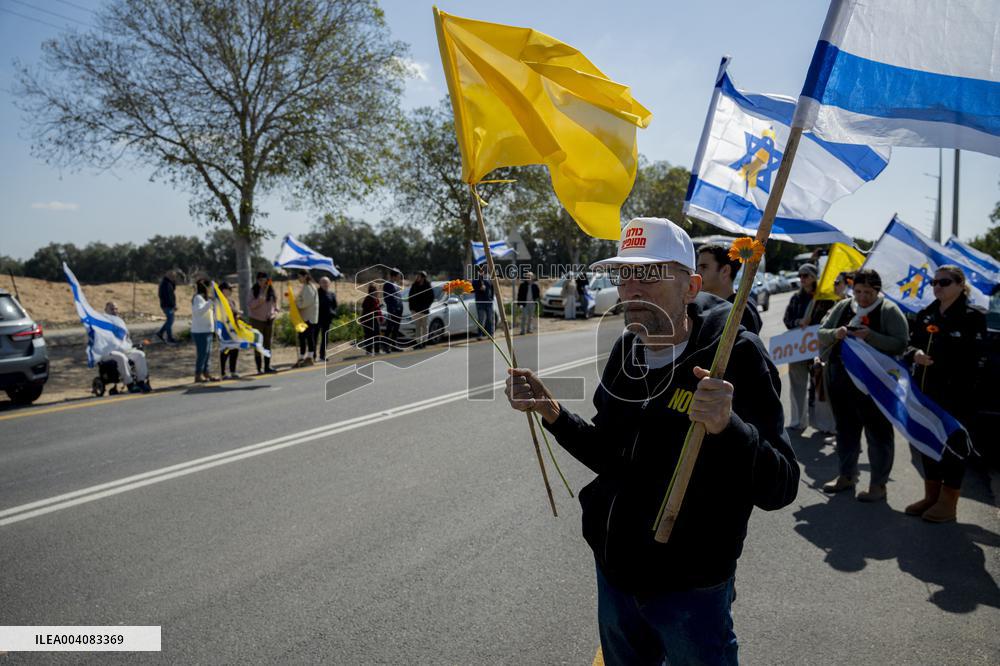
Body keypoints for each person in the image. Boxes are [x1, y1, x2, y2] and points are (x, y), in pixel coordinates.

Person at [505, 217, 798, 665]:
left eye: (650, 274)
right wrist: (552, 411)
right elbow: (612, 455)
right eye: (623, 275)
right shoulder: (627, 350)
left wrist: (729, 427)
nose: (632, 289)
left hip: (691, 589)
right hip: (617, 573)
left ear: (691, 285)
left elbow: (782, 486)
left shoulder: (735, 355)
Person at [902, 265, 987, 522]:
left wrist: (940, 361)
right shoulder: (927, 313)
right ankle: (932, 496)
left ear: (960, 285)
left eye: (944, 282)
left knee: (952, 448)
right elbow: (910, 343)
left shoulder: (973, 317)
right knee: (928, 443)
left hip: (956, 396)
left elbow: (977, 360)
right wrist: (914, 354)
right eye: (934, 282)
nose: (937, 286)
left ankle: (948, 503)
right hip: (926, 393)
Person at [818, 269, 909, 501]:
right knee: (846, 430)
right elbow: (821, 332)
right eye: (858, 291)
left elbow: (900, 344)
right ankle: (846, 476)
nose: (862, 297)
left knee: (878, 433)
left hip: (875, 384)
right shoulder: (844, 307)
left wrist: (870, 336)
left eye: (868, 292)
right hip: (841, 380)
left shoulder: (888, 310)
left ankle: (878, 484)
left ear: (877, 291)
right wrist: (835, 333)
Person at [781, 263, 823, 431]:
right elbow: (787, 319)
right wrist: (798, 322)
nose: (802, 279)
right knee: (797, 385)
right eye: (800, 276)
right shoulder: (796, 298)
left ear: (814, 277)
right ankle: (799, 421)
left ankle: (822, 423)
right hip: (798, 347)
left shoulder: (823, 298)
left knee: (819, 387)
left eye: (806, 275)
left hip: (819, 347)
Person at [696, 243, 762, 334]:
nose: (697, 273)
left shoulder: (741, 309)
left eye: (704, 267)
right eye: (697, 267)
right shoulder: (706, 306)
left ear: (725, 271)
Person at [99, 301, 151, 393]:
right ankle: (130, 384)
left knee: (140, 354)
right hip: (108, 352)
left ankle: (141, 382)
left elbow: (126, 338)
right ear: (105, 310)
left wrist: (132, 346)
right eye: (111, 309)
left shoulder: (120, 322)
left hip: (123, 350)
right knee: (121, 357)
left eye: (116, 309)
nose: (114, 311)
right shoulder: (101, 323)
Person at [248, 272, 279, 374]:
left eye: (265, 280)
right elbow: (250, 305)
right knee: (258, 344)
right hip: (256, 320)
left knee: (267, 344)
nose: (263, 282)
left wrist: (273, 314)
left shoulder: (271, 290)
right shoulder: (253, 291)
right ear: (257, 280)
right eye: (260, 280)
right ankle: (259, 368)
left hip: (269, 321)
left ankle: (267, 366)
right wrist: (259, 301)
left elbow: (276, 307)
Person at [191, 278, 218, 382]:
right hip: (200, 331)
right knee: (202, 353)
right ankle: (198, 374)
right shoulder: (197, 298)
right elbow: (199, 312)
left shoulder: (204, 299)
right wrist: (210, 303)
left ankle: (206, 372)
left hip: (207, 329)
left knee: (208, 353)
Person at [217, 282, 241, 379]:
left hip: (233, 328)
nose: (231, 290)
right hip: (224, 329)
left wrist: (237, 315)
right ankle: (222, 372)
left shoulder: (231, 301)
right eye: (229, 288)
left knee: (235, 349)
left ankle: (233, 371)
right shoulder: (219, 302)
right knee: (225, 350)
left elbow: (234, 312)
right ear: (223, 290)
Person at [295, 270, 319, 366]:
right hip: (306, 317)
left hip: (308, 317)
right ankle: (303, 357)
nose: (298, 278)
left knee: (307, 337)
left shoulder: (309, 287)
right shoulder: (307, 286)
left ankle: (309, 357)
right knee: (303, 337)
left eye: (299, 276)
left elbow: (306, 302)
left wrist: (296, 304)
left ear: (305, 276)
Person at [408, 271, 434, 349]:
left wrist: (427, 306)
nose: (417, 277)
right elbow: (411, 297)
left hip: (424, 310)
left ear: (423, 277)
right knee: (418, 327)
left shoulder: (428, 286)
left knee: (425, 327)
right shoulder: (414, 285)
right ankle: (418, 343)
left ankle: (424, 342)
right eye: (417, 276)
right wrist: (411, 308)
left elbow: (431, 297)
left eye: (419, 276)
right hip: (416, 310)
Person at [317, 276, 339, 360]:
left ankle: (322, 356)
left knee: (325, 338)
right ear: (320, 283)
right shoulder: (316, 293)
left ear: (329, 284)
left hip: (327, 319)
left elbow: (335, 305)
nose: (325, 284)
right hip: (317, 319)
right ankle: (313, 355)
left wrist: (333, 312)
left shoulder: (331, 294)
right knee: (314, 337)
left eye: (326, 282)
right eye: (323, 282)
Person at [381, 269, 403, 353]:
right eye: (398, 275)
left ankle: (394, 345)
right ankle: (385, 345)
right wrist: (392, 309)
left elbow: (398, 297)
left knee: (396, 329)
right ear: (394, 275)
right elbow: (387, 298)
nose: (400, 277)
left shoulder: (396, 284)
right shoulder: (387, 284)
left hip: (398, 310)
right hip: (392, 311)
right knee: (389, 328)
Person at [472, 265, 495, 338]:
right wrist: (479, 288)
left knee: (490, 319)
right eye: (480, 271)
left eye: (483, 270)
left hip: (488, 302)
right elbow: (473, 289)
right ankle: (480, 335)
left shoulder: (489, 279)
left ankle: (490, 334)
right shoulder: (475, 280)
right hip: (480, 302)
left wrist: (491, 298)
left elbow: (492, 289)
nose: (482, 272)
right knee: (481, 320)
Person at [360, 284, 383, 355]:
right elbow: (368, 309)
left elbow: (378, 310)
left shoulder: (376, 299)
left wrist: (380, 317)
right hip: (368, 320)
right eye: (375, 291)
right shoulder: (368, 299)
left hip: (373, 319)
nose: (377, 292)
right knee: (369, 335)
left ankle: (377, 350)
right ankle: (369, 351)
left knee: (377, 334)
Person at [156, 270, 178, 343]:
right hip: (167, 305)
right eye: (173, 276)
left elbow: (173, 290)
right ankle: (169, 337)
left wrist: (173, 282)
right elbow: (169, 296)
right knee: (170, 320)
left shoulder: (168, 283)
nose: (174, 278)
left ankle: (160, 333)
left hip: (167, 305)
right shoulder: (165, 284)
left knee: (170, 320)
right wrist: (173, 305)